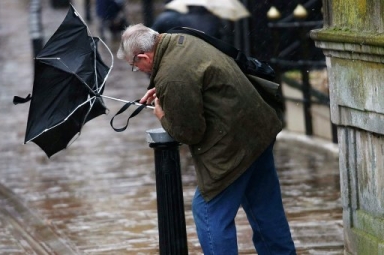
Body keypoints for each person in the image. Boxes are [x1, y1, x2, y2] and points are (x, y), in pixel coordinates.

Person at [117, 24, 296, 254]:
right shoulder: (179, 38)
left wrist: (163, 115)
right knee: (265, 209)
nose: (138, 69)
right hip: (258, 129)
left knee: (208, 211)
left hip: (232, 146)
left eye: (135, 65)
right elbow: (196, 80)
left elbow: (190, 132)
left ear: (143, 56)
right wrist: (165, 90)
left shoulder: (173, 76)